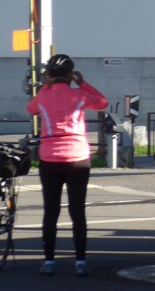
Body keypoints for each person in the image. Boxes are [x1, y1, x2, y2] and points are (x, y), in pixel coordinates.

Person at [26, 53, 109, 276]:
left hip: (50, 159)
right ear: (70, 75)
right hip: (78, 159)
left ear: (50, 76)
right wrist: (82, 83)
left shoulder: (43, 97)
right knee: (77, 211)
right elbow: (103, 103)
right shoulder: (80, 95)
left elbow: (30, 109)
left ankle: (49, 261)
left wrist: (45, 87)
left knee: (51, 211)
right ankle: (80, 261)